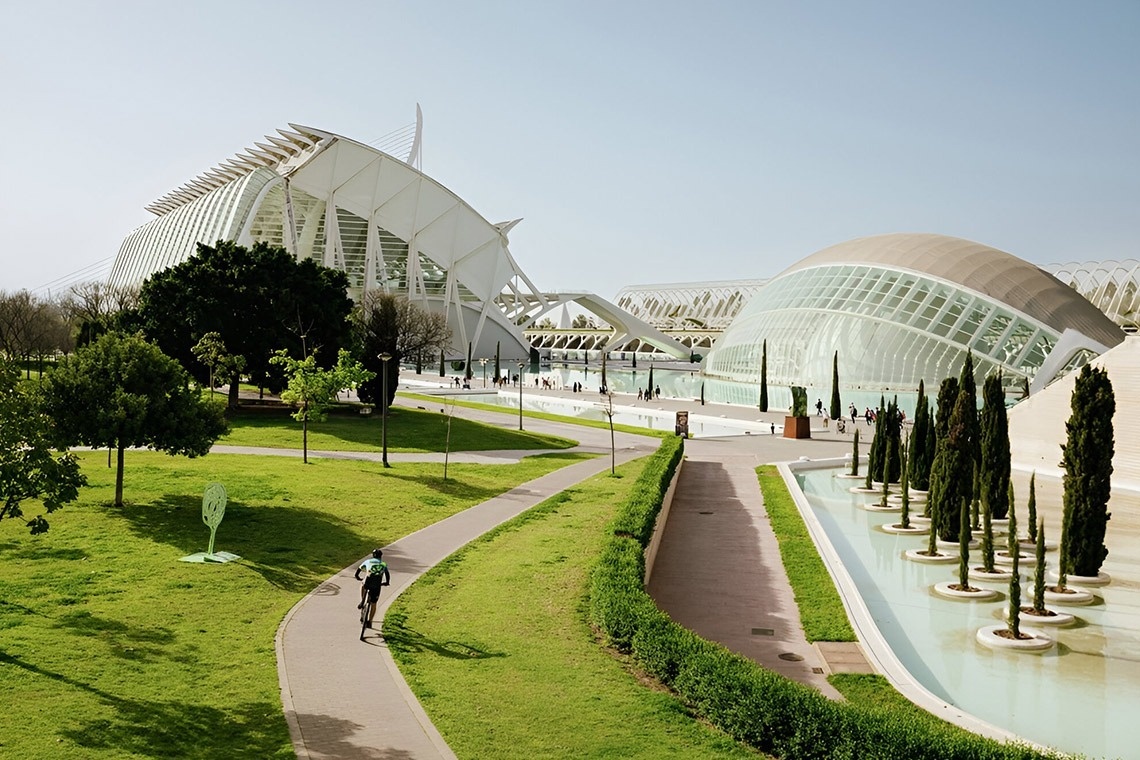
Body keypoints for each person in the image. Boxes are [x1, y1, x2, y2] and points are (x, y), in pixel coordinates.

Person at [354, 548, 390, 628]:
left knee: (363, 584)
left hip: (368, 582)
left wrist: (357, 576)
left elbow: (359, 570)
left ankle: (362, 601)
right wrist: (387, 582)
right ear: (380, 556)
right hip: (377, 585)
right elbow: (387, 574)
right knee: (374, 603)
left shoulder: (368, 561)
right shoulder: (383, 564)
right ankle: (370, 621)